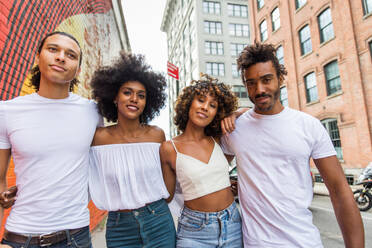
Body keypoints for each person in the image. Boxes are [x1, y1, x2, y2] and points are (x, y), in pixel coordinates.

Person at [220, 42, 364, 248]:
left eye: (266, 80)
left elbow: (340, 191)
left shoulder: (309, 126)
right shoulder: (235, 128)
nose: (259, 89)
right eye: (251, 83)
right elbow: (210, 174)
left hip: (304, 242)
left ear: (280, 78)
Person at [0, 32, 101, 248]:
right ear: (38, 57)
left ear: (78, 70)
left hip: (75, 237)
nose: (61, 57)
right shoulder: (7, 111)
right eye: (53, 49)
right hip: (20, 237)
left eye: (71, 55)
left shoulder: (93, 112)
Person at [89, 52, 176, 248]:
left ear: (148, 102)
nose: (134, 99)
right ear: (114, 97)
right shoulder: (98, 138)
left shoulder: (156, 135)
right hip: (120, 229)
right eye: (127, 92)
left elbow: (168, 189)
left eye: (141, 95)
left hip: (158, 221)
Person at [160, 75, 243, 248]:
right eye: (200, 100)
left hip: (232, 223)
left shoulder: (219, 139)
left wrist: (234, 114)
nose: (205, 107)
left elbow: (252, 112)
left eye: (212, 105)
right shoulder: (169, 148)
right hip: (195, 231)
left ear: (217, 113)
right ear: (189, 103)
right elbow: (166, 196)